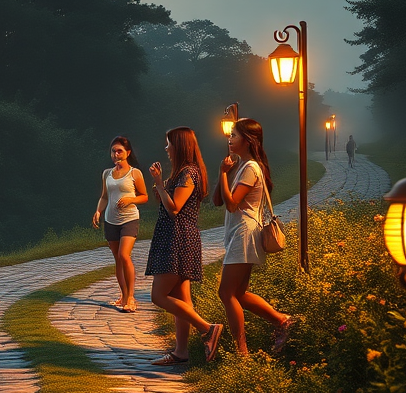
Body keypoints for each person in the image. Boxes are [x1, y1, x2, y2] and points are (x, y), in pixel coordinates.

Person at [213, 118, 296, 356]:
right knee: (238, 293)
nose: (229, 140)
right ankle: (282, 321)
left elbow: (231, 205)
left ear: (248, 141)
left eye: (234, 136)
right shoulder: (244, 166)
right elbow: (218, 200)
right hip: (241, 234)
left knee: (226, 293)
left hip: (244, 234)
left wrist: (222, 173)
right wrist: (225, 174)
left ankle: (242, 352)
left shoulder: (250, 168)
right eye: (230, 136)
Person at [145, 127, 224, 365]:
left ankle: (207, 329)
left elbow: (175, 209)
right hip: (177, 236)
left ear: (179, 146)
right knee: (183, 299)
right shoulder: (183, 173)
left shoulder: (189, 173)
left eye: (169, 144)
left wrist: (159, 184)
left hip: (177, 238)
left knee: (159, 296)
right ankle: (181, 352)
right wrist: (162, 187)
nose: (166, 148)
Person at [92, 136, 148, 312]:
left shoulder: (135, 173)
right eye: (113, 151)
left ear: (128, 153)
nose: (116, 154)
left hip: (129, 219)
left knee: (125, 255)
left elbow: (144, 196)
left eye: (120, 151)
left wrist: (131, 199)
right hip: (111, 220)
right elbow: (104, 196)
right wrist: (98, 211)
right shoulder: (107, 174)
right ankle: (123, 295)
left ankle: (131, 297)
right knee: (117, 259)